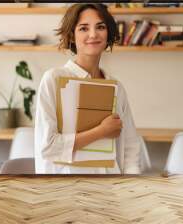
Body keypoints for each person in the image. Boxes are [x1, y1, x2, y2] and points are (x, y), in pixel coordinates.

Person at [34, 3, 140, 174]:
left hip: (110, 189)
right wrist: (101, 131)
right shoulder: (54, 79)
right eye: (83, 28)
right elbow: (48, 147)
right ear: (72, 35)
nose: (93, 34)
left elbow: (131, 147)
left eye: (100, 27)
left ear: (108, 34)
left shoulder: (116, 86)